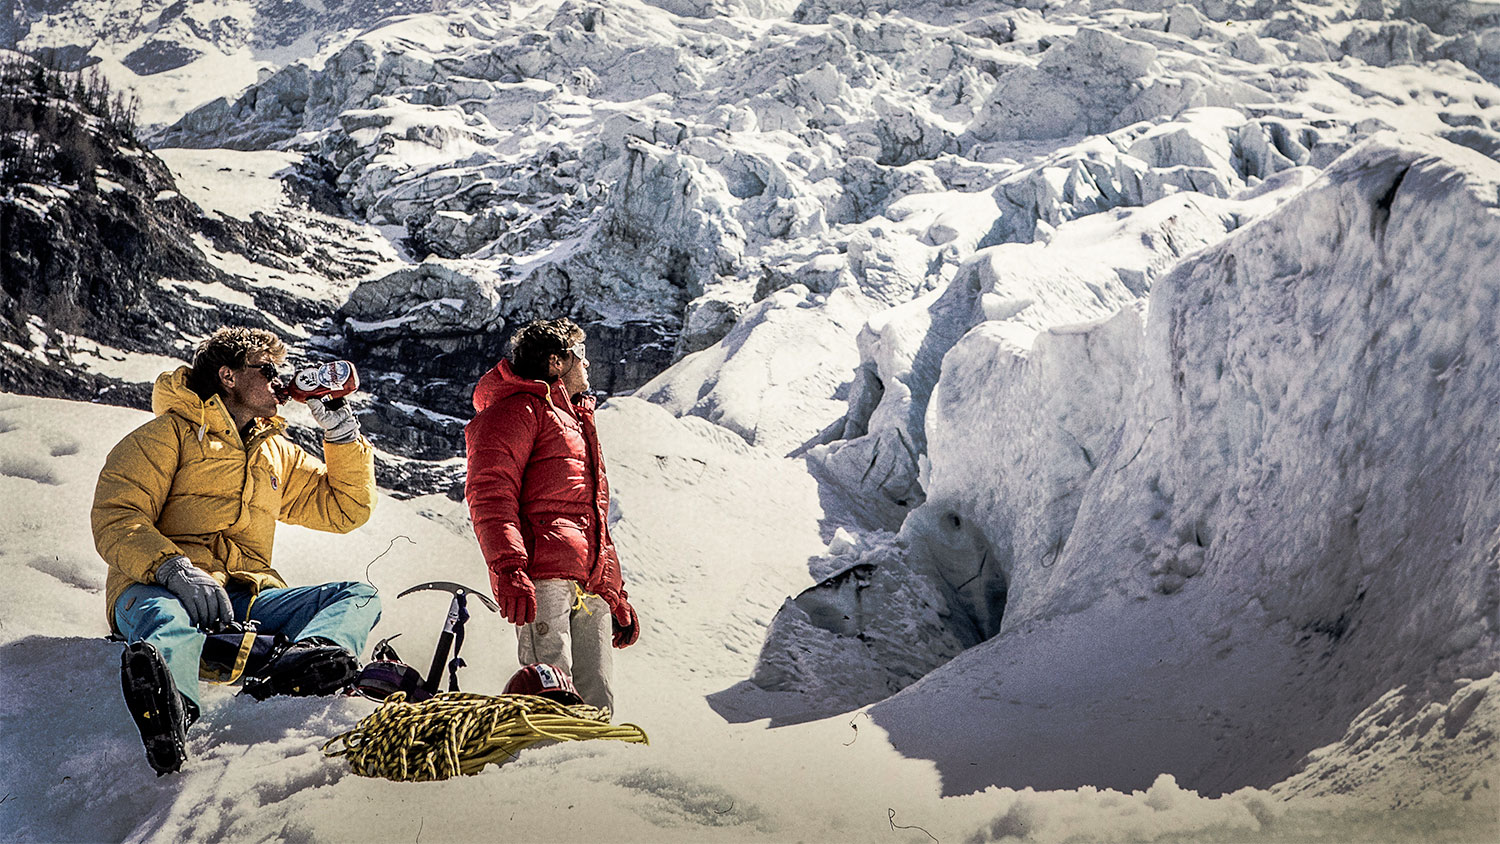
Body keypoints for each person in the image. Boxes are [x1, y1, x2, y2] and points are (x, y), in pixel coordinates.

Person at [92, 326, 380, 775]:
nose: (279, 380)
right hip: (156, 584)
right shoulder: (166, 436)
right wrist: (173, 569)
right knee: (166, 621)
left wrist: (342, 436)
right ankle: (173, 714)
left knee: (356, 595)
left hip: (241, 595)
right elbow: (116, 516)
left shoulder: (275, 453)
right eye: (267, 370)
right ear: (227, 375)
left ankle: (308, 662)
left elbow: (346, 508)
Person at [465, 318, 639, 715]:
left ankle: (591, 773)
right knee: (551, 696)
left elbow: (592, 520)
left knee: (598, 700)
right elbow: (490, 494)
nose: (589, 367)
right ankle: (544, 769)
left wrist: (615, 594)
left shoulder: (576, 422)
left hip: (589, 584)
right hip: (542, 579)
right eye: (583, 358)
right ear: (556, 363)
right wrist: (509, 569)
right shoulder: (516, 412)